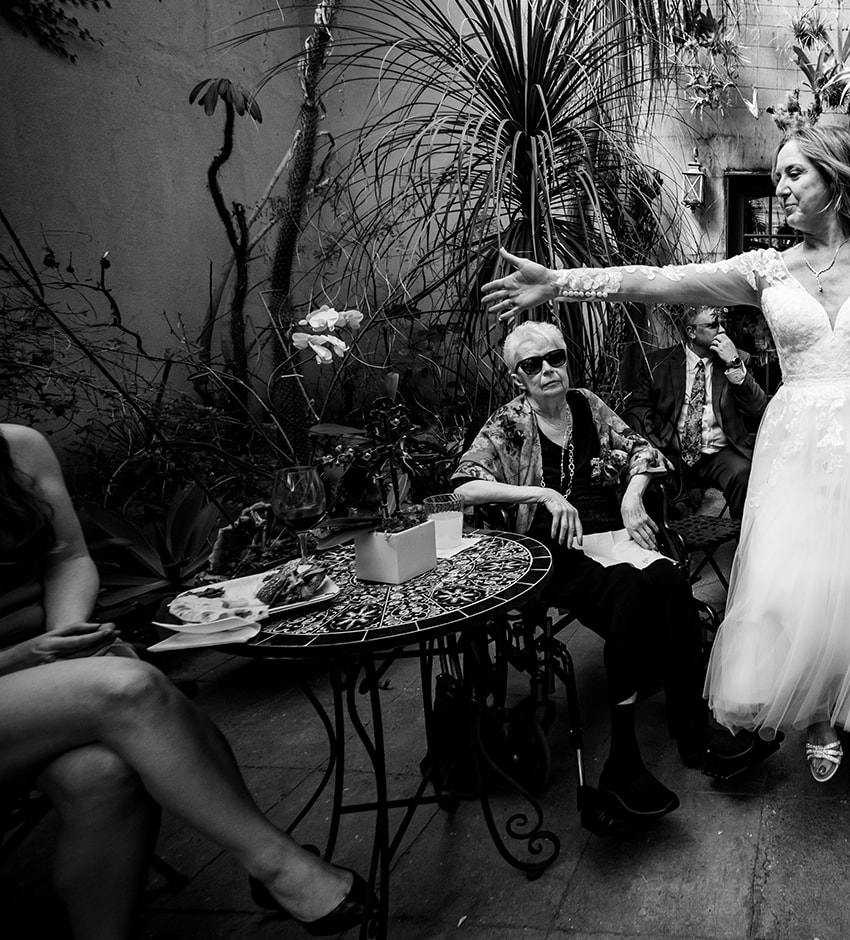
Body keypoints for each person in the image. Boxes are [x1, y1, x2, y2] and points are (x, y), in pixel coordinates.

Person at [482, 123, 850, 808]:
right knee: (807, 583)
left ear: (836, 176)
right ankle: (819, 710)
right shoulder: (766, 269)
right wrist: (562, 284)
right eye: (776, 175)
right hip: (799, 447)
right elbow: (657, 282)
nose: (778, 187)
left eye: (791, 174)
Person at [0, 423, 370, 939]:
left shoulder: (17, 447)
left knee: (101, 775)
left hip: (43, 675)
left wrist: (66, 641)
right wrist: (23, 657)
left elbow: (69, 558)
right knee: (129, 687)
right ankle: (278, 866)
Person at [449, 322, 777, 836]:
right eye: (532, 366)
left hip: (610, 531)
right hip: (553, 548)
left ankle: (696, 736)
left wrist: (631, 495)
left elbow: (644, 451)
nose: (547, 371)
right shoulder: (510, 423)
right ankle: (622, 759)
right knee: (630, 592)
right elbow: (462, 486)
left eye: (554, 358)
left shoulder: (586, 404)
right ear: (517, 378)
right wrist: (542, 496)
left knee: (669, 579)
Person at [622, 305, 769, 519]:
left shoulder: (738, 359)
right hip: (673, 453)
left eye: (722, 324)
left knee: (744, 475)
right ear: (692, 332)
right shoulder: (658, 363)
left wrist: (734, 363)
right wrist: (655, 446)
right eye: (712, 326)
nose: (722, 331)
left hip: (720, 454)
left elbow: (758, 409)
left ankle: (741, 544)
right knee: (650, 482)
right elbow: (637, 410)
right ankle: (664, 545)